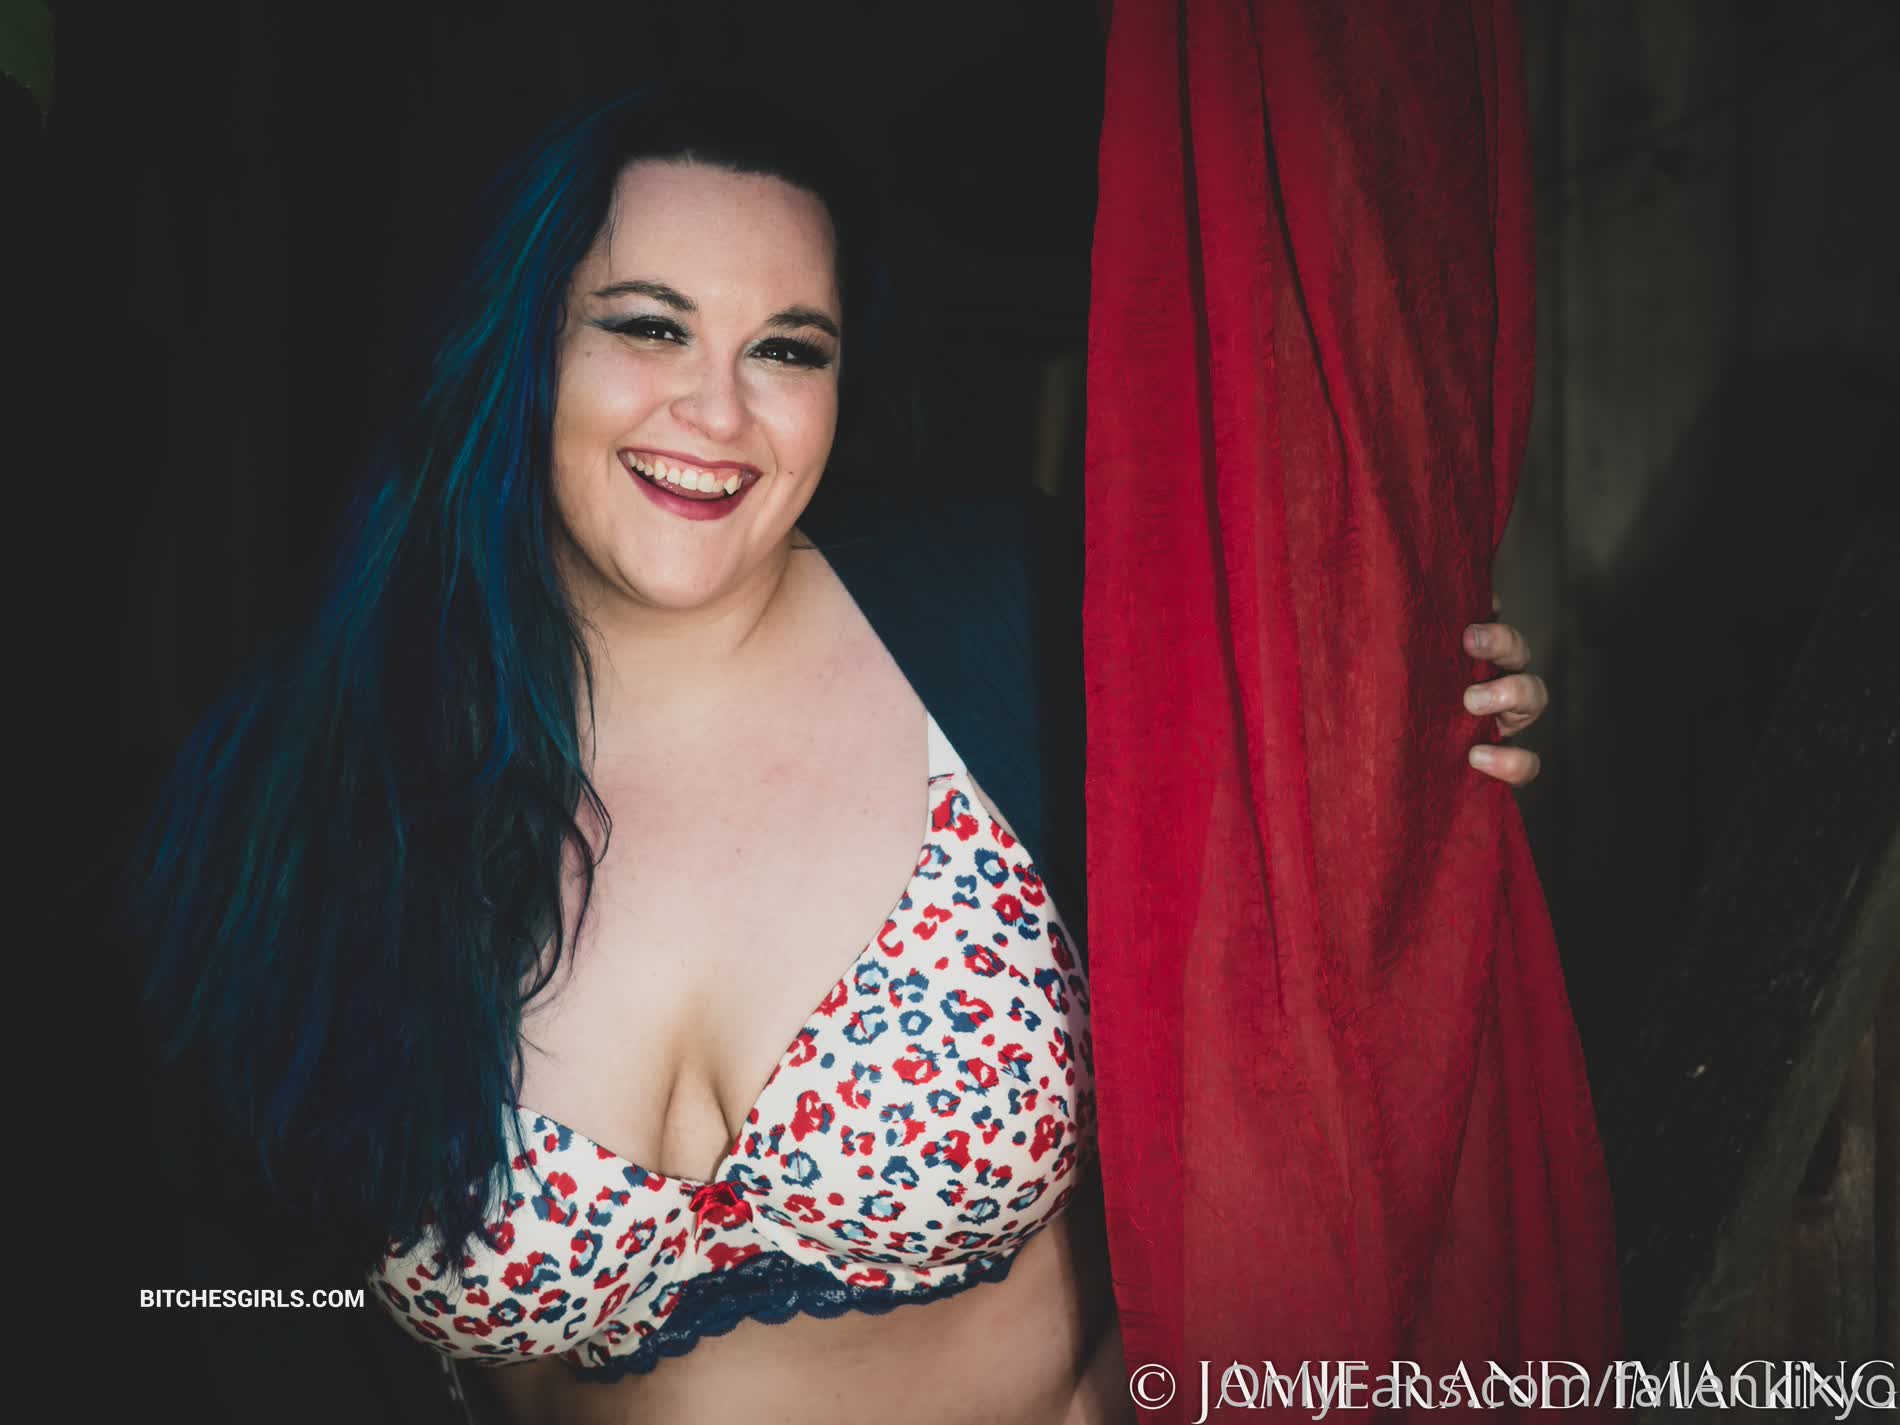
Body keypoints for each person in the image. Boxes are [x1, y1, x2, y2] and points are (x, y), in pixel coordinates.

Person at [132, 88, 1551, 1425]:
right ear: (519, 351)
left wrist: (1436, 718)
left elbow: (1315, 824)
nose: (718, 412)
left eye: (787, 348)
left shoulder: (1022, 620)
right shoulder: (310, 782)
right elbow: (235, 1279)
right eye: (650, 327)